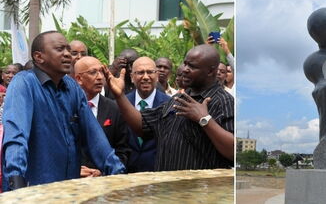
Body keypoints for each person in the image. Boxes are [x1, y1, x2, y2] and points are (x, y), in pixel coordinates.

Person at [2, 31, 125, 191]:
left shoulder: (73, 88)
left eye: (68, 49)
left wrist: (118, 173)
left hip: (68, 190)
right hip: (33, 191)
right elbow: (16, 137)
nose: (68, 54)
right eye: (60, 49)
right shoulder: (24, 84)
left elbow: (94, 136)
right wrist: (16, 184)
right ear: (39, 57)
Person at [104, 44, 234, 171]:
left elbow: (234, 152)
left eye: (192, 66)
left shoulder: (223, 101)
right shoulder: (179, 98)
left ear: (211, 71)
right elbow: (143, 126)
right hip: (168, 189)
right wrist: (120, 95)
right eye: (185, 64)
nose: (184, 69)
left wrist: (204, 119)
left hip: (199, 190)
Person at [74, 56, 131, 177]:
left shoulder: (115, 109)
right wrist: (73, 170)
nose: (100, 77)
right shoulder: (67, 108)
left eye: (101, 72)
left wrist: (103, 173)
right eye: (93, 72)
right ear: (79, 79)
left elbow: (123, 151)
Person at [126, 57, 170, 172]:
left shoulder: (170, 105)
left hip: (158, 175)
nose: (145, 77)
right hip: (125, 177)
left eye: (150, 72)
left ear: (156, 76)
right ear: (132, 77)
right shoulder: (120, 105)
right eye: (140, 72)